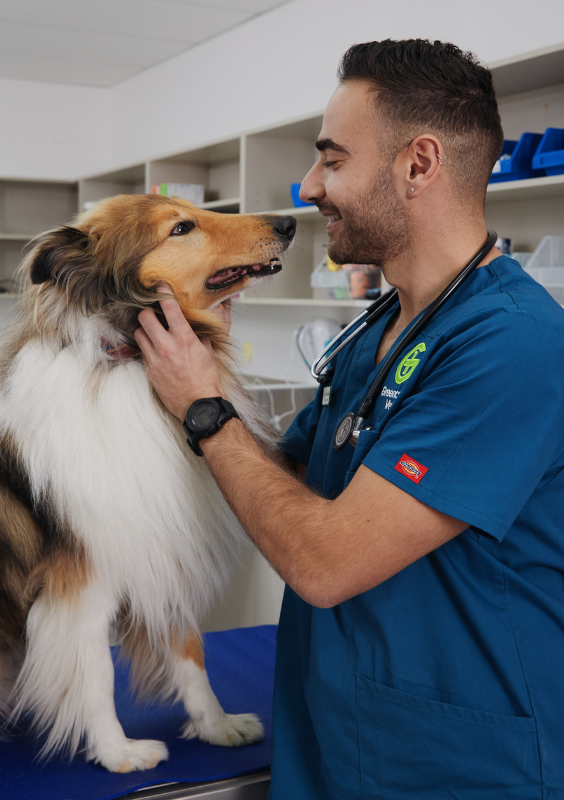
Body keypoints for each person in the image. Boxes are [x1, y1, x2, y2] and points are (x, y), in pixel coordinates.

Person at [135, 39, 564, 799]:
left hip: (457, 763)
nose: (308, 187)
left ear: (419, 164)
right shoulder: (377, 328)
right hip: (333, 735)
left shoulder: (513, 345)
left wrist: (206, 408)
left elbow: (325, 561)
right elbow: (288, 476)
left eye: (332, 160)